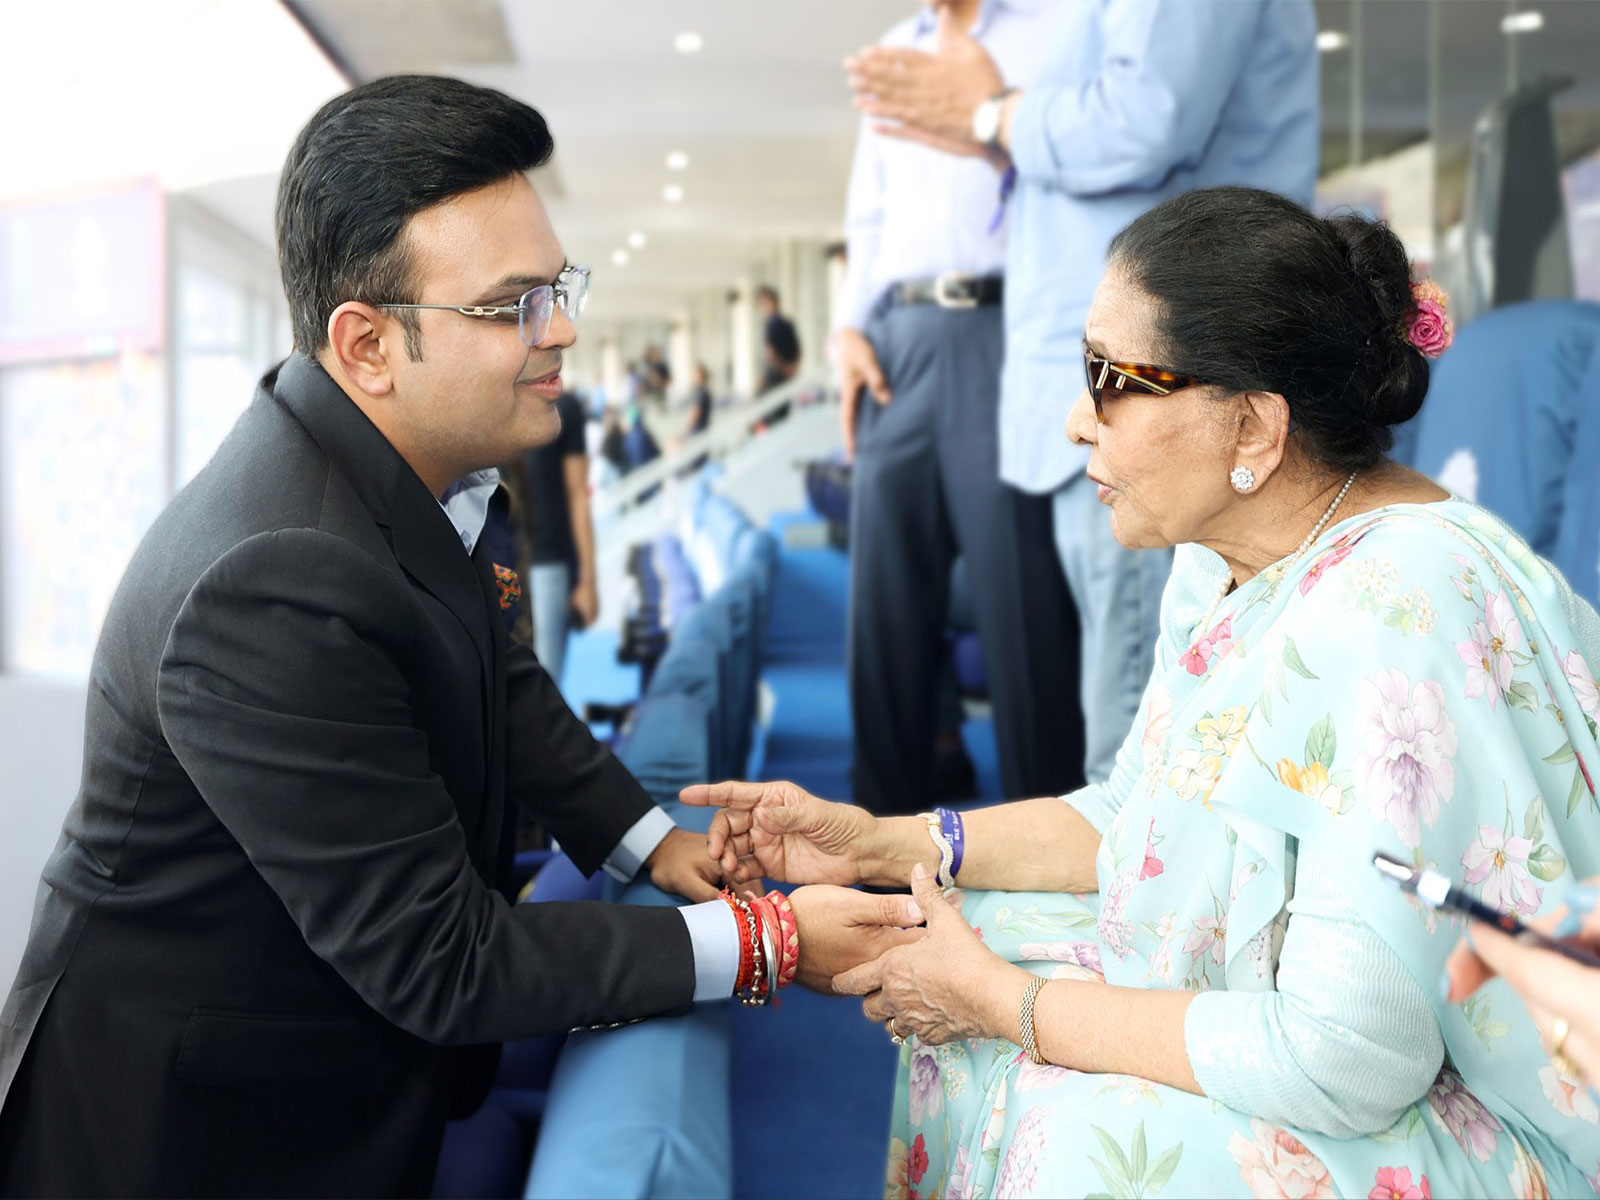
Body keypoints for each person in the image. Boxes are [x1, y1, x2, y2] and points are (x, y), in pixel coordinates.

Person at [0, 75, 922, 1197]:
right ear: (370, 344)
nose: (563, 330)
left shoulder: (420, 468)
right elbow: (439, 959)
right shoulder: (269, 580)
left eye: (558, 287)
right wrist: (772, 942)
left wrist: (657, 846)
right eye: (512, 306)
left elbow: (506, 688)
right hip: (191, 1127)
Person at [685, 189, 1600, 1196]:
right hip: (1367, 1046)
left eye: (1111, 381)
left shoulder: (1394, 610)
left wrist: (1006, 1004)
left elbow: (1345, 1056)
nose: (1076, 421)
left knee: (1082, 1149)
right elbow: (1141, 822)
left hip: (1520, 1116)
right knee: (956, 929)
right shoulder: (1221, 557)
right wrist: (880, 842)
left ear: (1251, 429)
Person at [846, 0, 1319, 785]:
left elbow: (1146, 119)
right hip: (1125, 388)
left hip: (1165, 392)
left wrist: (994, 111)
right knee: (1132, 739)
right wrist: (1000, 139)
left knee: (1134, 761)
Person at [833, 0, 1084, 815]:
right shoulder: (889, 53)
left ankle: (1049, 864)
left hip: (1004, 331)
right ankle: (877, 869)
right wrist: (847, 329)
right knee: (882, 614)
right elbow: (868, 219)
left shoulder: (1058, 32)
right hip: (895, 343)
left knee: (1024, 613)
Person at [520, 389, 597, 686]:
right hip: (496, 566)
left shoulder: (565, 406)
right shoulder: (489, 401)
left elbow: (579, 495)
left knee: (544, 687)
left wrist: (587, 580)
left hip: (548, 567)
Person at [755, 284, 800, 398]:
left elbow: (770, 351)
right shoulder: (786, 322)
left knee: (767, 409)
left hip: (776, 374)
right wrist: (792, 367)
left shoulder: (773, 323)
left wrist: (785, 367)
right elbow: (798, 348)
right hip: (786, 372)